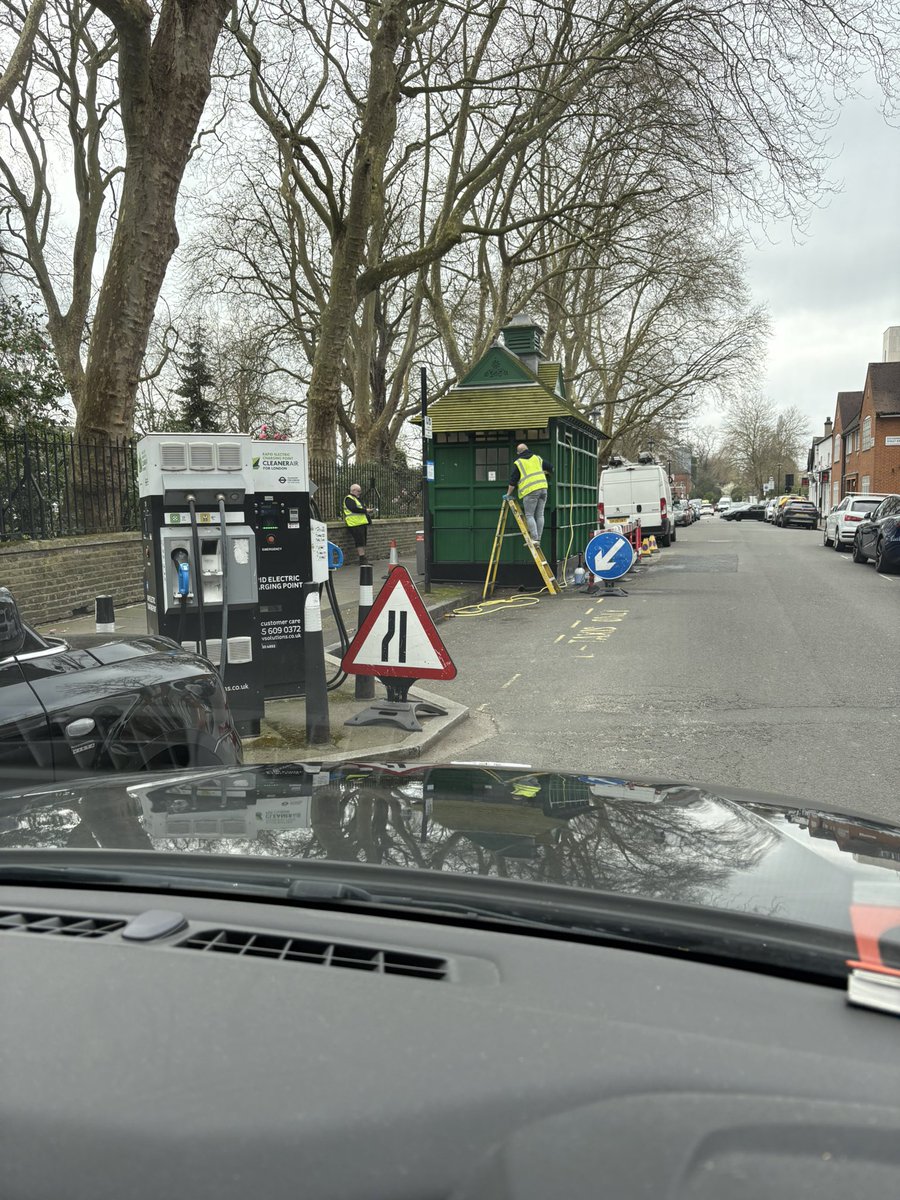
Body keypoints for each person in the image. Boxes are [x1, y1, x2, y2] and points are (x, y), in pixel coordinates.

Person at [506, 443, 553, 542]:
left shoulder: (519, 462)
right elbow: (551, 467)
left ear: (519, 452)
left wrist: (508, 494)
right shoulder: (537, 458)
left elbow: (513, 481)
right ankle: (538, 539)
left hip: (530, 491)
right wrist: (544, 472)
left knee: (529, 515)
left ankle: (534, 538)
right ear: (527, 449)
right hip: (543, 488)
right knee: (540, 515)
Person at [342, 483, 373, 564]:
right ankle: (362, 559)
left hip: (361, 523)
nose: (360, 492)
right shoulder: (349, 498)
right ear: (353, 490)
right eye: (358, 491)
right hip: (354, 523)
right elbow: (354, 509)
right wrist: (366, 510)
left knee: (362, 541)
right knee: (359, 541)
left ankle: (363, 558)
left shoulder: (357, 499)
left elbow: (360, 508)